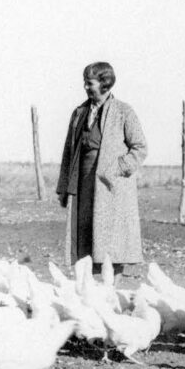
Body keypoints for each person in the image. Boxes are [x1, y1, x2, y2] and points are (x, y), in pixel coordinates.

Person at [56, 62, 148, 275]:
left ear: (105, 84)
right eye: (85, 84)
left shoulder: (124, 112)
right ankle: (91, 286)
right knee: (85, 236)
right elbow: (68, 154)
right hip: (83, 185)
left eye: (90, 84)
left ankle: (111, 290)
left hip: (111, 188)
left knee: (111, 240)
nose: (86, 88)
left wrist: (116, 169)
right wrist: (63, 188)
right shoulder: (79, 113)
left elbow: (140, 148)